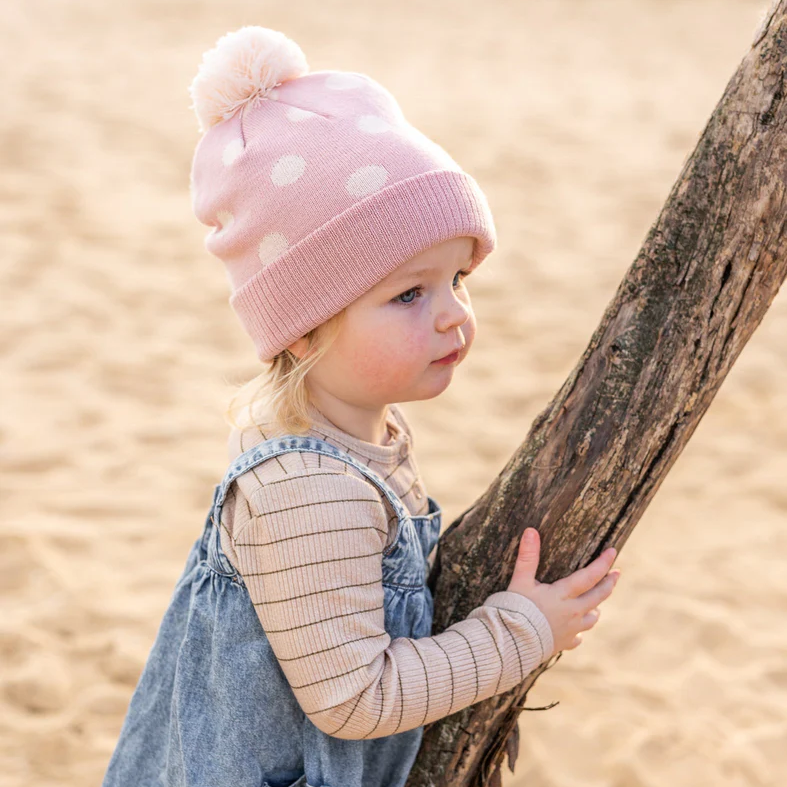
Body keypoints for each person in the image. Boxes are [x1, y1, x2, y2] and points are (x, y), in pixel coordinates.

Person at [101, 25, 621, 787]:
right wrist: (522, 630)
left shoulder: (358, 441)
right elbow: (355, 696)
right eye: (408, 292)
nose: (451, 314)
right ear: (305, 324)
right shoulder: (306, 489)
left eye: (458, 279)